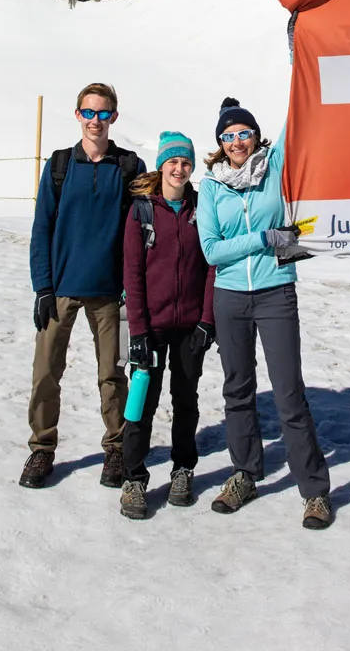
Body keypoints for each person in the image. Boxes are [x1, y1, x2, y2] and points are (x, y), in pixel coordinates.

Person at [197, 98, 332, 529]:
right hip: (230, 295)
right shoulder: (212, 186)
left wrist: (300, 53)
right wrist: (262, 237)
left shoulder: (275, 166)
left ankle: (314, 492)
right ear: (220, 143)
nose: (237, 141)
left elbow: (300, 117)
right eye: (228, 136)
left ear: (256, 135)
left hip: (277, 293)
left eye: (244, 133)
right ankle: (246, 474)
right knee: (238, 389)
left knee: (289, 392)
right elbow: (212, 249)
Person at [21, 83, 145, 489]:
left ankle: (115, 448)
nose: (96, 121)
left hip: (110, 292)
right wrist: (42, 287)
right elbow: (42, 228)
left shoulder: (128, 166)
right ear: (78, 115)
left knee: (112, 374)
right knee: (45, 373)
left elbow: (143, 228)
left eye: (103, 113)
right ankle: (41, 449)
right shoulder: (59, 165)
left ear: (114, 118)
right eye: (89, 113)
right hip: (61, 289)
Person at [120, 131, 216, 520]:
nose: (179, 168)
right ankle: (134, 478)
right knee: (142, 402)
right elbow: (133, 275)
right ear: (161, 165)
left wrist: (207, 321)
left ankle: (182, 470)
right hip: (153, 327)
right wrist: (139, 332)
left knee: (186, 401)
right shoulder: (142, 211)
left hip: (190, 326)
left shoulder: (201, 208)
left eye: (186, 162)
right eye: (173, 162)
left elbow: (212, 267)